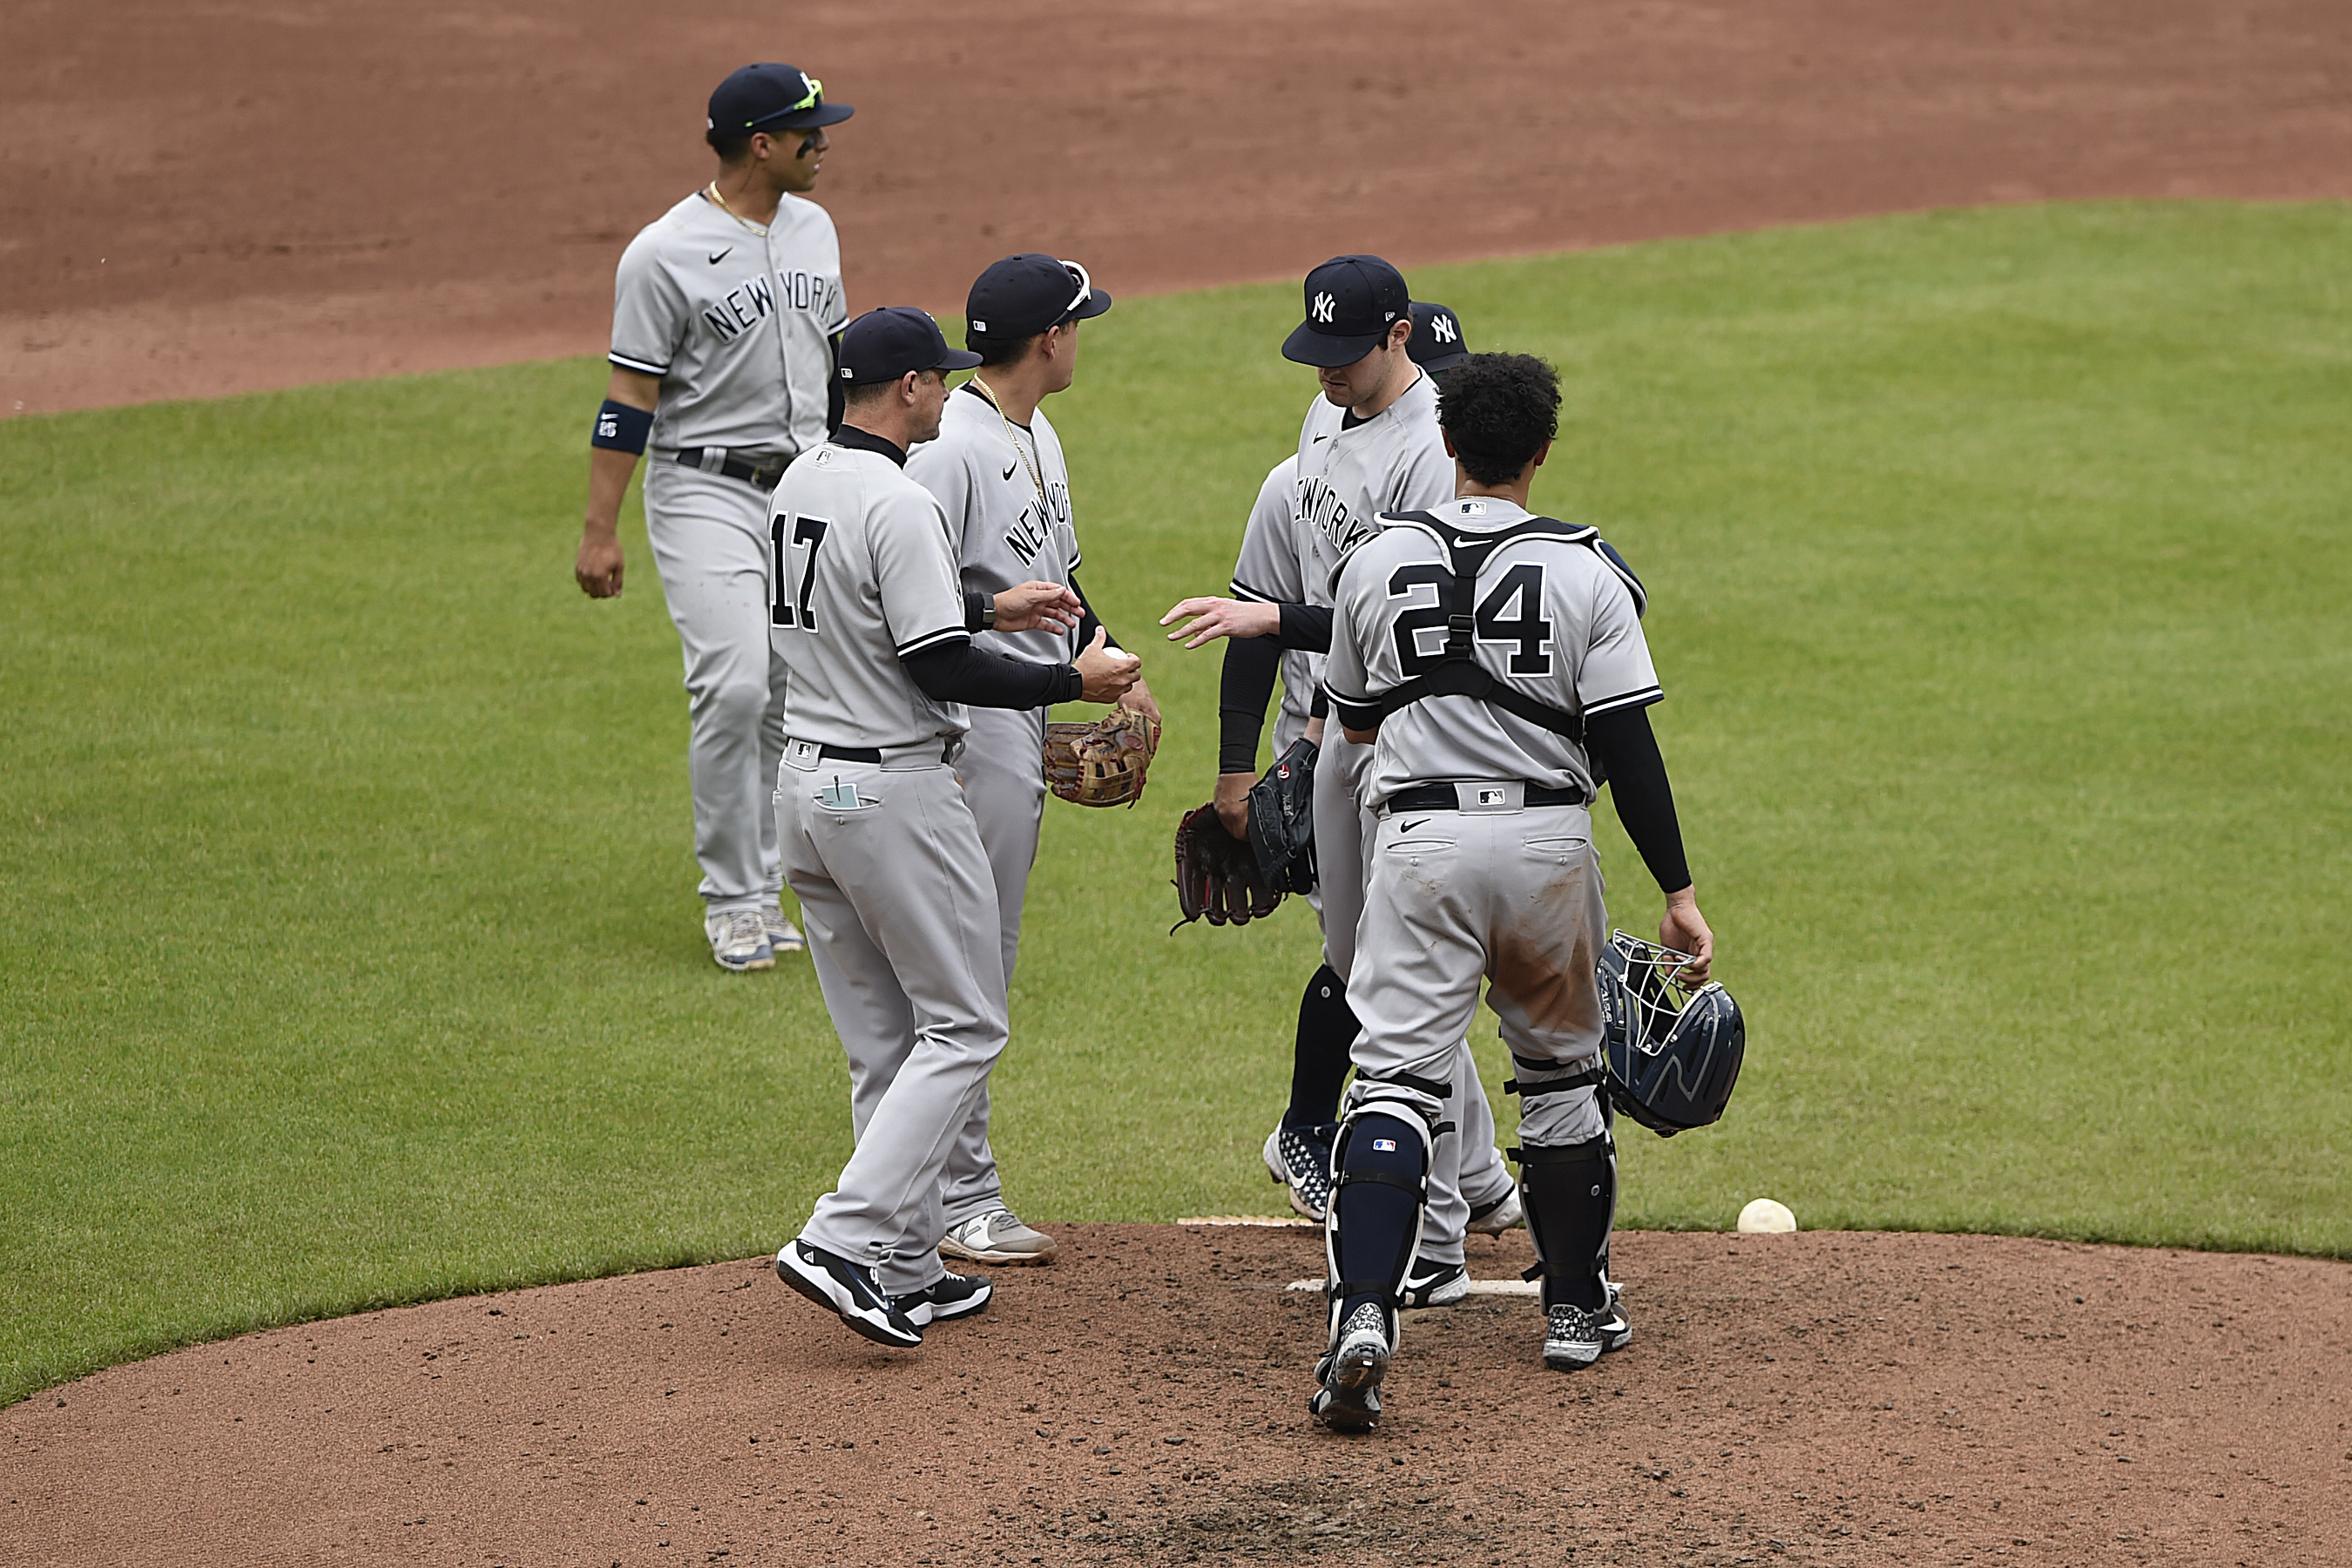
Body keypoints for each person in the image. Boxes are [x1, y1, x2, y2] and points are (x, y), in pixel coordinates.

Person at [1308, 351, 1716, 1429]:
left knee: (1395, 1077)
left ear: (1446, 444)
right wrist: (1676, 893)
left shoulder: (1374, 562)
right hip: (1545, 843)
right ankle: (1575, 1308)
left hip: (1422, 840)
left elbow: (1353, 732)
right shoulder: (1587, 571)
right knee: (1561, 1072)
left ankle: (1362, 1314)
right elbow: (1629, 747)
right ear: (1541, 450)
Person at [767, 307, 1139, 1347]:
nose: (947, 388)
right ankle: (843, 1238)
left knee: (885, 1039)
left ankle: (905, 1260)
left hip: (805, 791)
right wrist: (1074, 675)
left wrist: (989, 610)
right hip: (893, 791)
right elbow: (935, 666)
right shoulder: (897, 500)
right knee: (967, 1021)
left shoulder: (801, 480)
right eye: (936, 377)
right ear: (910, 391)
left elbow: (867, 612)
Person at [1160, 261, 1516, 1306]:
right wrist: (1241, 769)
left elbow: (1402, 618)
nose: (1324, 375)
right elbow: (1260, 596)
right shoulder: (1318, 434)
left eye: (1344, 357)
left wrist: (1279, 639)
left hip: (1400, 741)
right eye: (1314, 355)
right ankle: (1441, 1185)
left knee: (1397, 969)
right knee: (1391, 971)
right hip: (1322, 742)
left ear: (1398, 338)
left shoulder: (1429, 454)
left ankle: (1440, 1179)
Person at [904, 253, 1157, 1268]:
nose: (1083, 335)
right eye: (1078, 323)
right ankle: (960, 1196)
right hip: (973, 725)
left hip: (1030, 711)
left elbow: (1060, 575)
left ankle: (949, 1189)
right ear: (1048, 339)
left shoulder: (1036, 432)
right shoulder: (949, 454)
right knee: (972, 959)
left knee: (984, 953)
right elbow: (917, 612)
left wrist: (1110, 662)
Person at [574, 63, 853, 972]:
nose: (825, 143)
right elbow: (629, 395)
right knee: (734, 685)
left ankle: (775, 884)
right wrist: (599, 528)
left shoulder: (815, 228)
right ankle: (732, 899)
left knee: (791, 691)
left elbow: (836, 368)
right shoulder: (663, 253)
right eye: (808, 131)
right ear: (760, 144)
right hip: (703, 490)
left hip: (805, 487)